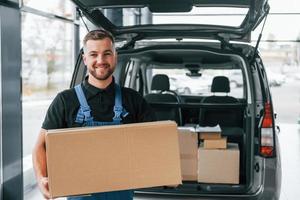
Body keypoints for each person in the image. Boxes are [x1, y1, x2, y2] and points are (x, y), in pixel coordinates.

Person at [32, 29, 156, 200]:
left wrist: (167, 168)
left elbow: (155, 143)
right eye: (93, 54)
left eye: (107, 53)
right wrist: (41, 178)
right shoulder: (65, 100)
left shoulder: (134, 100)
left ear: (115, 56)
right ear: (84, 58)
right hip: (79, 193)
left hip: (121, 193)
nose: (100, 60)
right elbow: (41, 146)